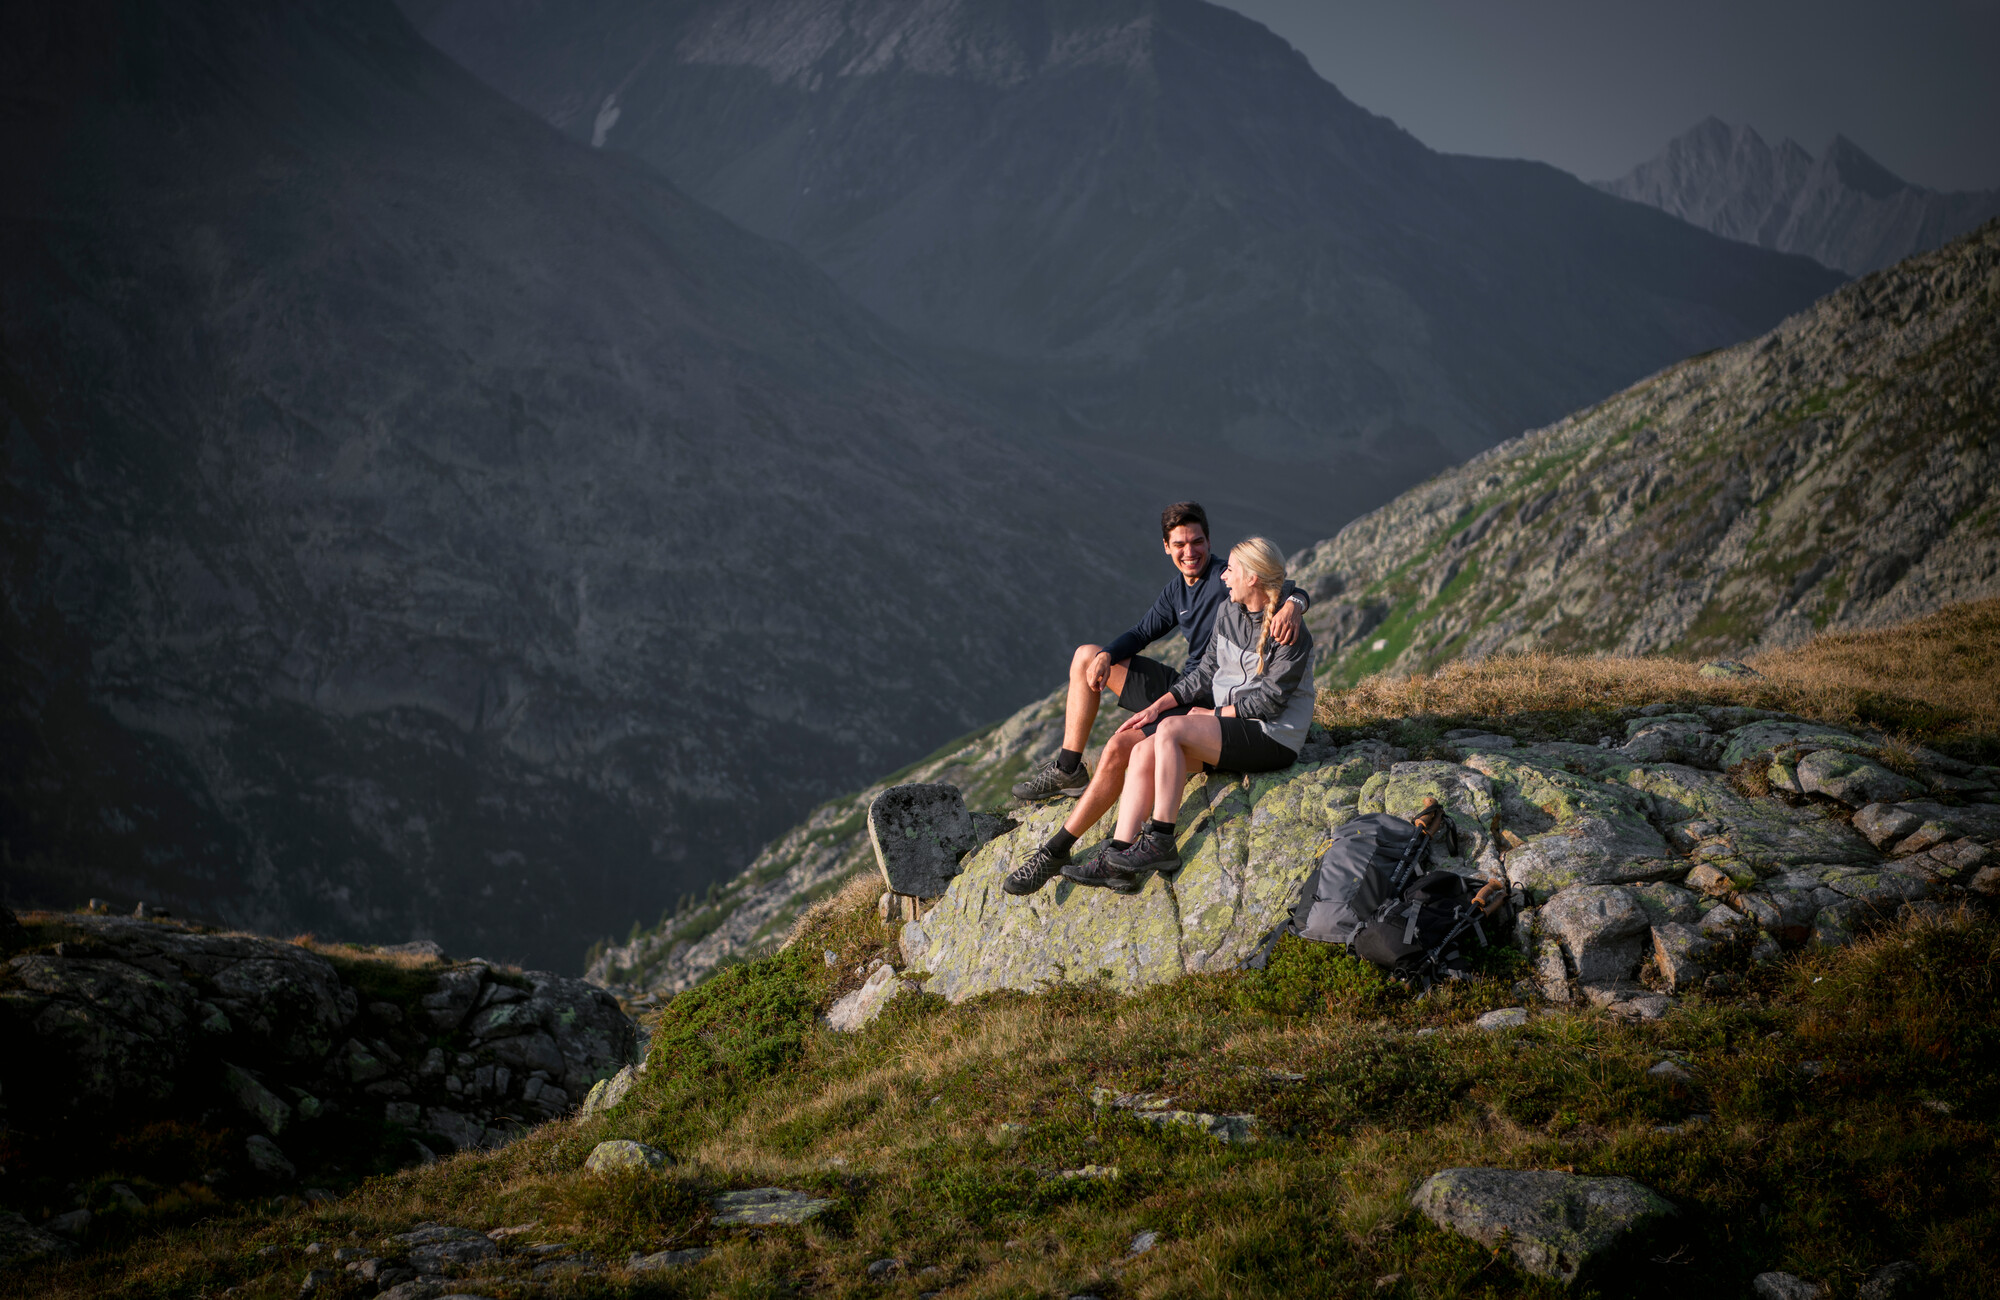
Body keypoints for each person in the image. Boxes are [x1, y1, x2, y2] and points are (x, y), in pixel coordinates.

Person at [1002, 504, 1310, 895]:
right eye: (1180, 544)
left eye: (1197, 541)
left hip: (1215, 701)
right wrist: (1108, 657)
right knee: (1086, 657)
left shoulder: (1228, 583)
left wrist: (1295, 604)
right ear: (1166, 547)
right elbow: (1143, 632)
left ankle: (1060, 850)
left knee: (1121, 747)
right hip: (1189, 685)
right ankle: (1072, 775)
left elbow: (1279, 585)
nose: (1190, 551)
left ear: (1209, 543)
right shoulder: (1183, 593)